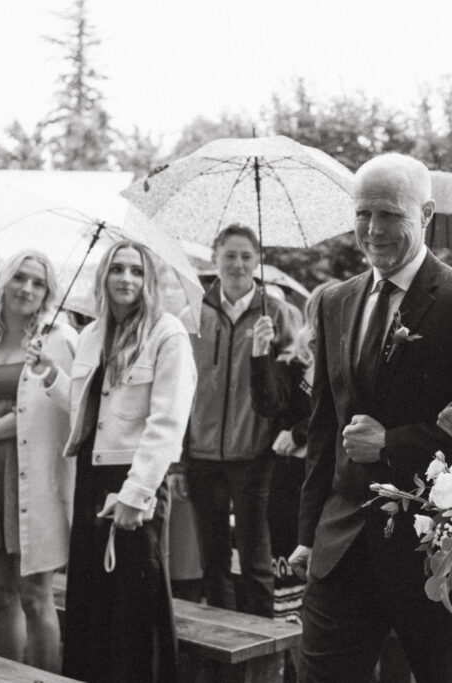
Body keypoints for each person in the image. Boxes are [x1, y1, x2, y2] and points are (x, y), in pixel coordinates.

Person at [290, 153, 452, 683]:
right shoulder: (334, 301)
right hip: (341, 547)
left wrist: (391, 443)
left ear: (426, 214)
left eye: (390, 214)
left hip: (435, 551)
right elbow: (325, 426)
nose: (373, 229)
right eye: (363, 213)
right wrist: (307, 534)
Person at [35, 240, 196, 682]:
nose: (127, 278)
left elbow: (167, 423)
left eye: (137, 271)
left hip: (135, 476)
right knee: (90, 595)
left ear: (150, 281)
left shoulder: (167, 334)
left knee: (135, 600)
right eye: (118, 269)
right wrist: (52, 376)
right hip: (91, 473)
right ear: (103, 276)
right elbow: (92, 410)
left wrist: (136, 492)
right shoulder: (90, 334)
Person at [0, 250, 76, 672]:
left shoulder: (57, 338)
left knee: (36, 596)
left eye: (38, 283)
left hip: (30, 473)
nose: (27, 289)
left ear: (48, 293)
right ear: (4, 281)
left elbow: (42, 414)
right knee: (2, 596)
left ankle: (44, 679)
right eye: (20, 278)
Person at [175, 224, 293, 618]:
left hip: (254, 455)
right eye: (230, 255)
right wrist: (177, 460)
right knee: (213, 559)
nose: (238, 264)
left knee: (257, 558)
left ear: (257, 261)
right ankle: (222, 643)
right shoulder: (192, 314)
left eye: (246, 256)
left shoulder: (276, 313)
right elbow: (178, 390)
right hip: (202, 454)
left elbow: (292, 390)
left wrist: (268, 350)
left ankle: (259, 641)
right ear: (215, 259)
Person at [250, 281, 337, 625]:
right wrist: (259, 354)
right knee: (287, 562)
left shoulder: (351, 361)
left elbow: (337, 415)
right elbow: (267, 404)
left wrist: (300, 432)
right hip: (289, 481)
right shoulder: (294, 363)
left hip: (327, 478)